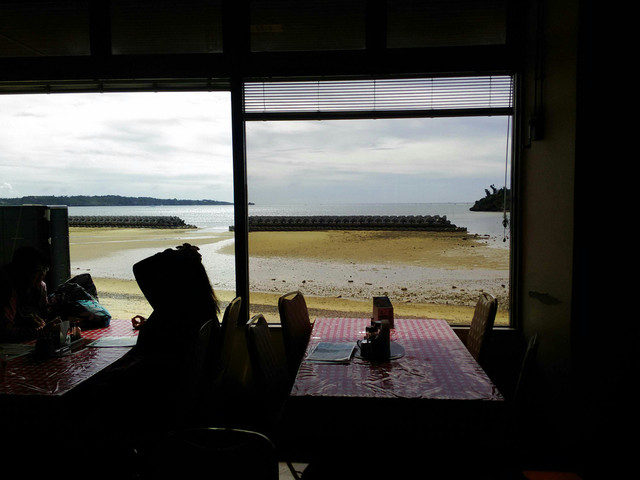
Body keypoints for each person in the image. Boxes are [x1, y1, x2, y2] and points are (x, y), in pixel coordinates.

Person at [0, 245, 51, 342]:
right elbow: (5, 332)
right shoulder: (7, 289)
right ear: (23, 272)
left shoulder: (40, 287)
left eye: (45, 270)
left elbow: (44, 314)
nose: (42, 275)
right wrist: (39, 331)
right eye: (36, 271)